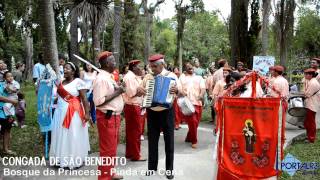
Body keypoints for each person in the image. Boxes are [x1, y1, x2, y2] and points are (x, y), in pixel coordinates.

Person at [141, 54, 179, 179]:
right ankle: (151, 168)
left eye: (155, 66)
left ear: (162, 64)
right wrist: (141, 90)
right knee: (152, 141)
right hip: (151, 111)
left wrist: (177, 90)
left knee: (169, 142)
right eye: (151, 66)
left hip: (167, 112)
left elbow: (183, 92)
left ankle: (169, 170)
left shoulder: (172, 76)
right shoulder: (148, 76)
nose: (153, 69)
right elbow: (140, 89)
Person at [49, 62, 91, 169]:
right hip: (59, 113)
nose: (65, 70)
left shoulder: (78, 82)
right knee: (60, 135)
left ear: (73, 71)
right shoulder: (61, 83)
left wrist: (87, 113)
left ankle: (74, 160)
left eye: (67, 68)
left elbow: (84, 99)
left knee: (72, 135)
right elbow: (57, 97)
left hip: (73, 114)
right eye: (64, 68)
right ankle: (60, 159)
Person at [92, 51, 125, 180]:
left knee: (112, 148)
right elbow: (98, 101)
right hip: (107, 118)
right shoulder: (100, 79)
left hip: (115, 117)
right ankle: (104, 177)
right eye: (113, 61)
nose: (115, 63)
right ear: (106, 63)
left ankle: (110, 172)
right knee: (106, 150)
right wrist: (118, 92)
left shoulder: (109, 77)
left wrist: (119, 89)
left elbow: (113, 93)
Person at [122, 59, 147, 162]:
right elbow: (132, 94)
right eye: (139, 67)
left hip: (133, 106)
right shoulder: (130, 77)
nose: (141, 68)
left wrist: (142, 90)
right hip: (133, 106)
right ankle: (136, 155)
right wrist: (141, 92)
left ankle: (129, 153)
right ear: (134, 68)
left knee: (131, 132)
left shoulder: (134, 77)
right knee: (136, 132)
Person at [179, 62, 206, 149]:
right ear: (185, 69)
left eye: (191, 66)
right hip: (187, 103)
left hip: (198, 102)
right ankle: (194, 141)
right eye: (187, 67)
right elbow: (179, 89)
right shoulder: (182, 78)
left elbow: (203, 88)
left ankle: (188, 137)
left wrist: (201, 95)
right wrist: (182, 93)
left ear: (193, 68)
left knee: (196, 123)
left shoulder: (199, 78)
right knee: (193, 121)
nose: (190, 67)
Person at [0, 81, 18, 155]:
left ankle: (6, 149)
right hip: (1, 111)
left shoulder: (3, 84)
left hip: (7, 111)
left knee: (7, 130)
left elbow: (12, 93)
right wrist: (12, 101)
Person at [303, 68, 320, 143]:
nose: (305, 76)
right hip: (310, 103)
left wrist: (303, 93)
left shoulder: (313, 83)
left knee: (311, 122)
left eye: (306, 74)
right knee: (307, 122)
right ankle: (309, 136)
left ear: (310, 75)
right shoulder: (311, 81)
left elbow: (307, 94)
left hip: (312, 104)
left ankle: (311, 138)